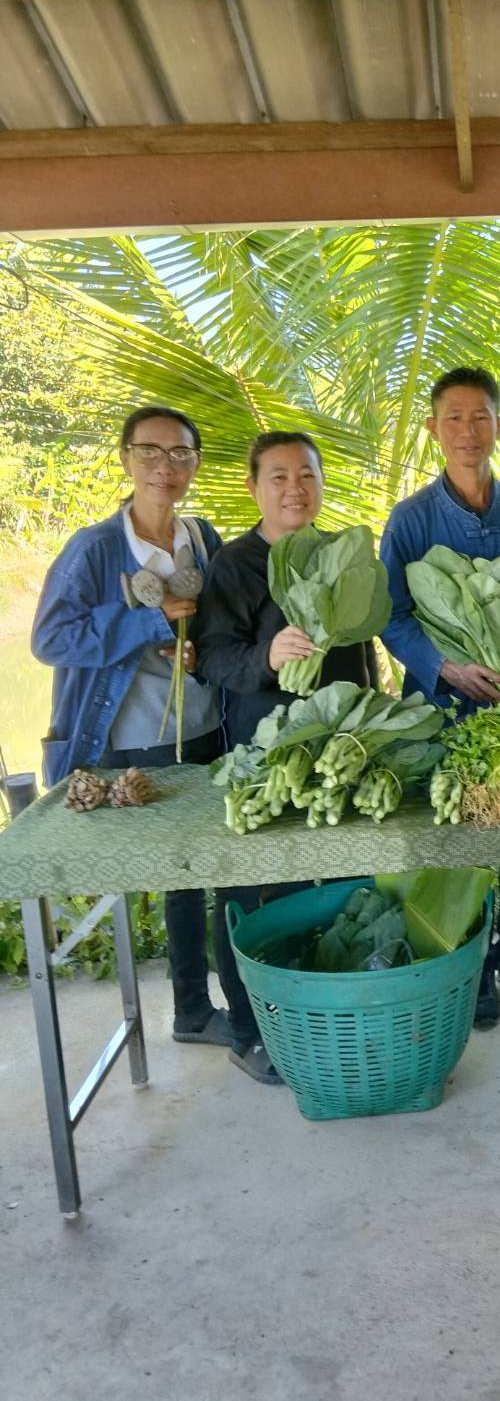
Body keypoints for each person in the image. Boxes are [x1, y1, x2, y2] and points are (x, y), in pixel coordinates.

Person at [31, 404, 238, 1049]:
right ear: (125, 458)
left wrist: (197, 644)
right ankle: (193, 1011)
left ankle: (227, 1008)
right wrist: (147, 624)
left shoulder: (203, 538)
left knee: (220, 871)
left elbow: (221, 621)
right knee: (182, 877)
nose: (164, 467)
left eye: (180, 454)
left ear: (195, 465)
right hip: (129, 742)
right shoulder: (94, 549)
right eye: (149, 451)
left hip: (206, 729)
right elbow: (51, 638)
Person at [379, 366, 500, 1031]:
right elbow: (393, 616)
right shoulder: (409, 521)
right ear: (434, 428)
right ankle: (472, 964)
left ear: (498, 423)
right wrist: (444, 668)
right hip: (445, 706)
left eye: (480, 416)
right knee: (459, 836)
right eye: (454, 417)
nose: (468, 431)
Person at [196, 431, 373, 1081]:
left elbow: (359, 654)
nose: (294, 488)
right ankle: (248, 1029)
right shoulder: (237, 564)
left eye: (306, 475)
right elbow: (213, 657)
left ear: (321, 483)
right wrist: (264, 658)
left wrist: (371, 721)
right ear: (254, 487)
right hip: (261, 755)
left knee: (324, 887)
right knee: (247, 891)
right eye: (278, 477)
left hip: (335, 754)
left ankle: (312, 1013)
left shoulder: (340, 552)